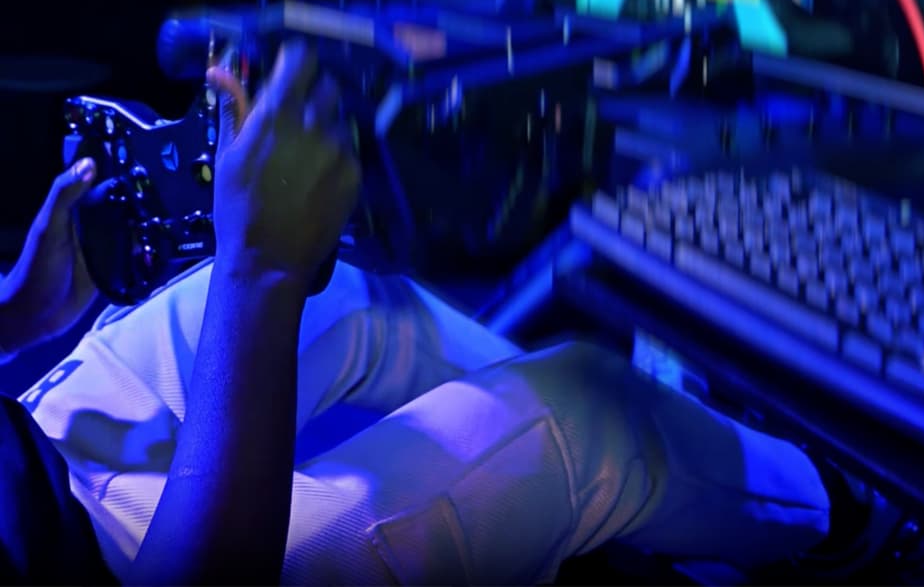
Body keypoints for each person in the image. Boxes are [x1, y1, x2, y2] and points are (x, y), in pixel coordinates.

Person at [0, 40, 879, 584]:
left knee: (356, 295)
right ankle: (847, 517)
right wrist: (258, 274)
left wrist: (17, 315)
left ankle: (673, 475)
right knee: (583, 409)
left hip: (37, 453)